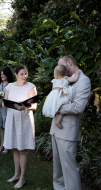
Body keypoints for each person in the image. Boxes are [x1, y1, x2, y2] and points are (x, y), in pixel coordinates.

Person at [50, 55, 91, 190]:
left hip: (67, 131)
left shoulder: (84, 81)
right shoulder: (62, 79)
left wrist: (56, 107)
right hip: (55, 129)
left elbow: (78, 107)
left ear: (69, 63)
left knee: (69, 168)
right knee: (57, 168)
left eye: (62, 65)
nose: (60, 69)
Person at [3, 65, 37, 189]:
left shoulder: (31, 86)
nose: (24, 76)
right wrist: (4, 105)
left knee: (22, 149)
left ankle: (23, 177)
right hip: (12, 119)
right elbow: (5, 102)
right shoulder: (10, 86)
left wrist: (25, 107)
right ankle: (16, 174)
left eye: (26, 74)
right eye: (22, 74)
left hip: (24, 120)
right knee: (15, 148)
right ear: (16, 74)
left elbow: (34, 106)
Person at [42, 65, 80, 129]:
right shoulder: (66, 79)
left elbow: (53, 89)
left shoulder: (54, 80)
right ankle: (58, 121)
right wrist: (77, 73)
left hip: (55, 96)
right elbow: (75, 79)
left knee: (54, 105)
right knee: (63, 109)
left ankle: (54, 113)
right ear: (65, 73)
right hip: (63, 95)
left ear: (56, 74)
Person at [0, 67, 14, 154]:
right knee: (2, 127)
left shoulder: (11, 85)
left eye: (4, 74)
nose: (2, 76)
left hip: (7, 108)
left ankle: (7, 146)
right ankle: (2, 145)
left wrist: (3, 102)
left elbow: (12, 98)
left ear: (8, 75)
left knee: (7, 127)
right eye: (1, 74)